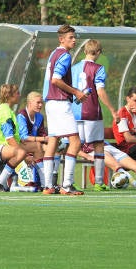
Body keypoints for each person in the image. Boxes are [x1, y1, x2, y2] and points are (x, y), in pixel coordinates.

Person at [41, 24, 87, 195]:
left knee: (53, 141)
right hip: (60, 103)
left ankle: (48, 186)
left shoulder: (54, 53)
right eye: (70, 38)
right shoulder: (65, 55)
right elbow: (56, 79)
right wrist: (76, 92)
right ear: (61, 39)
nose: (74, 40)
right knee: (75, 142)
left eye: (75, 37)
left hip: (50, 103)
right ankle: (66, 185)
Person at [71, 39, 119, 191]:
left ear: (85, 51)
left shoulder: (73, 68)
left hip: (74, 112)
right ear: (98, 52)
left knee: (74, 145)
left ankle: (68, 181)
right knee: (98, 144)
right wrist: (112, 110)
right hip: (91, 112)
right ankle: (99, 182)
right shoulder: (98, 68)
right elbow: (100, 91)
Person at [0, 84, 28, 192]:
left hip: (2, 146)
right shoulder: (4, 111)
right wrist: (25, 157)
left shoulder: (8, 110)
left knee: (37, 147)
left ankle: (46, 185)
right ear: (9, 96)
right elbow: (9, 138)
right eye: (17, 93)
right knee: (21, 153)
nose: (19, 95)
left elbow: (13, 136)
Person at [17, 90, 49, 187]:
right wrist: (43, 139)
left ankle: (51, 181)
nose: (40, 105)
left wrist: (48, 140)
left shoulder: (40, 117)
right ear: (30, 103)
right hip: (21, 146)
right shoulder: (21, 115)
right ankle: (44, 182)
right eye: (38, 103)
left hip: (35, 147)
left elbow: (42, 134)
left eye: (41, 103)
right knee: (38, 145)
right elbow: (23, 137)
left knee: (53, 150)